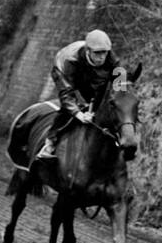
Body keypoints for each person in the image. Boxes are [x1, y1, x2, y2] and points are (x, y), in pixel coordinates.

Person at [36, 29, 121, 158]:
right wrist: (79, 114)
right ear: (88, 51)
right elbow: (67, 94)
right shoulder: (70, 61)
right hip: (65, 70)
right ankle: (50, 142)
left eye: (104, 53)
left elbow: (121, 85)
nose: (102, 57)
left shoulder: (112, 59)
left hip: (91, 72)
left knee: (101, 98)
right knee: (70, 107)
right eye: (97, 53)